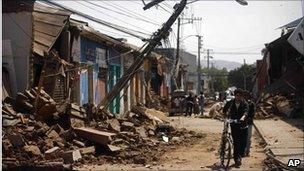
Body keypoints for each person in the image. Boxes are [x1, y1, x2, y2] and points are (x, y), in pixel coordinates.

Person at [223, 89, 248, 167]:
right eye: (237, 95)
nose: (238, 97)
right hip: (234, 125)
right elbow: (225, 110)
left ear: (242, 96)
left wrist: (243, 117)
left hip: (243, 125)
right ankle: (237, 159)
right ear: (235, 95)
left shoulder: (245, 103)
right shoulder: (230, 102)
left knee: (243, 142)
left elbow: (246, 112)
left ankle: (240, 155)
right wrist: (226, 117)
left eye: (240, 96)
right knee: (236, 142)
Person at [244, 91, 255, 156]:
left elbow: (253, 113)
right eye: (245, 96)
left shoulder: (251, 104)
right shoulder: (242, 104)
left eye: (247, 95)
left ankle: (247, 151)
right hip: (242, 123)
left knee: (248, 138)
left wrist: (249, 118)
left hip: (249, 123)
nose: (246, 97)